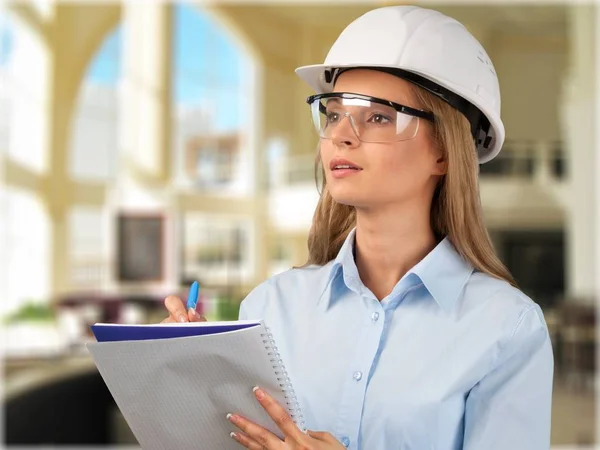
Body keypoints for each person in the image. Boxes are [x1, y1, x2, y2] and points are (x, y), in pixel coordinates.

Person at [162, 5, 554, 450]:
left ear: (444, 152)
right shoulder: (270, 307)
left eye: (379, 116)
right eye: (333, 114)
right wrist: (184, 383)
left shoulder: (507, 328)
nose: (341, 135)